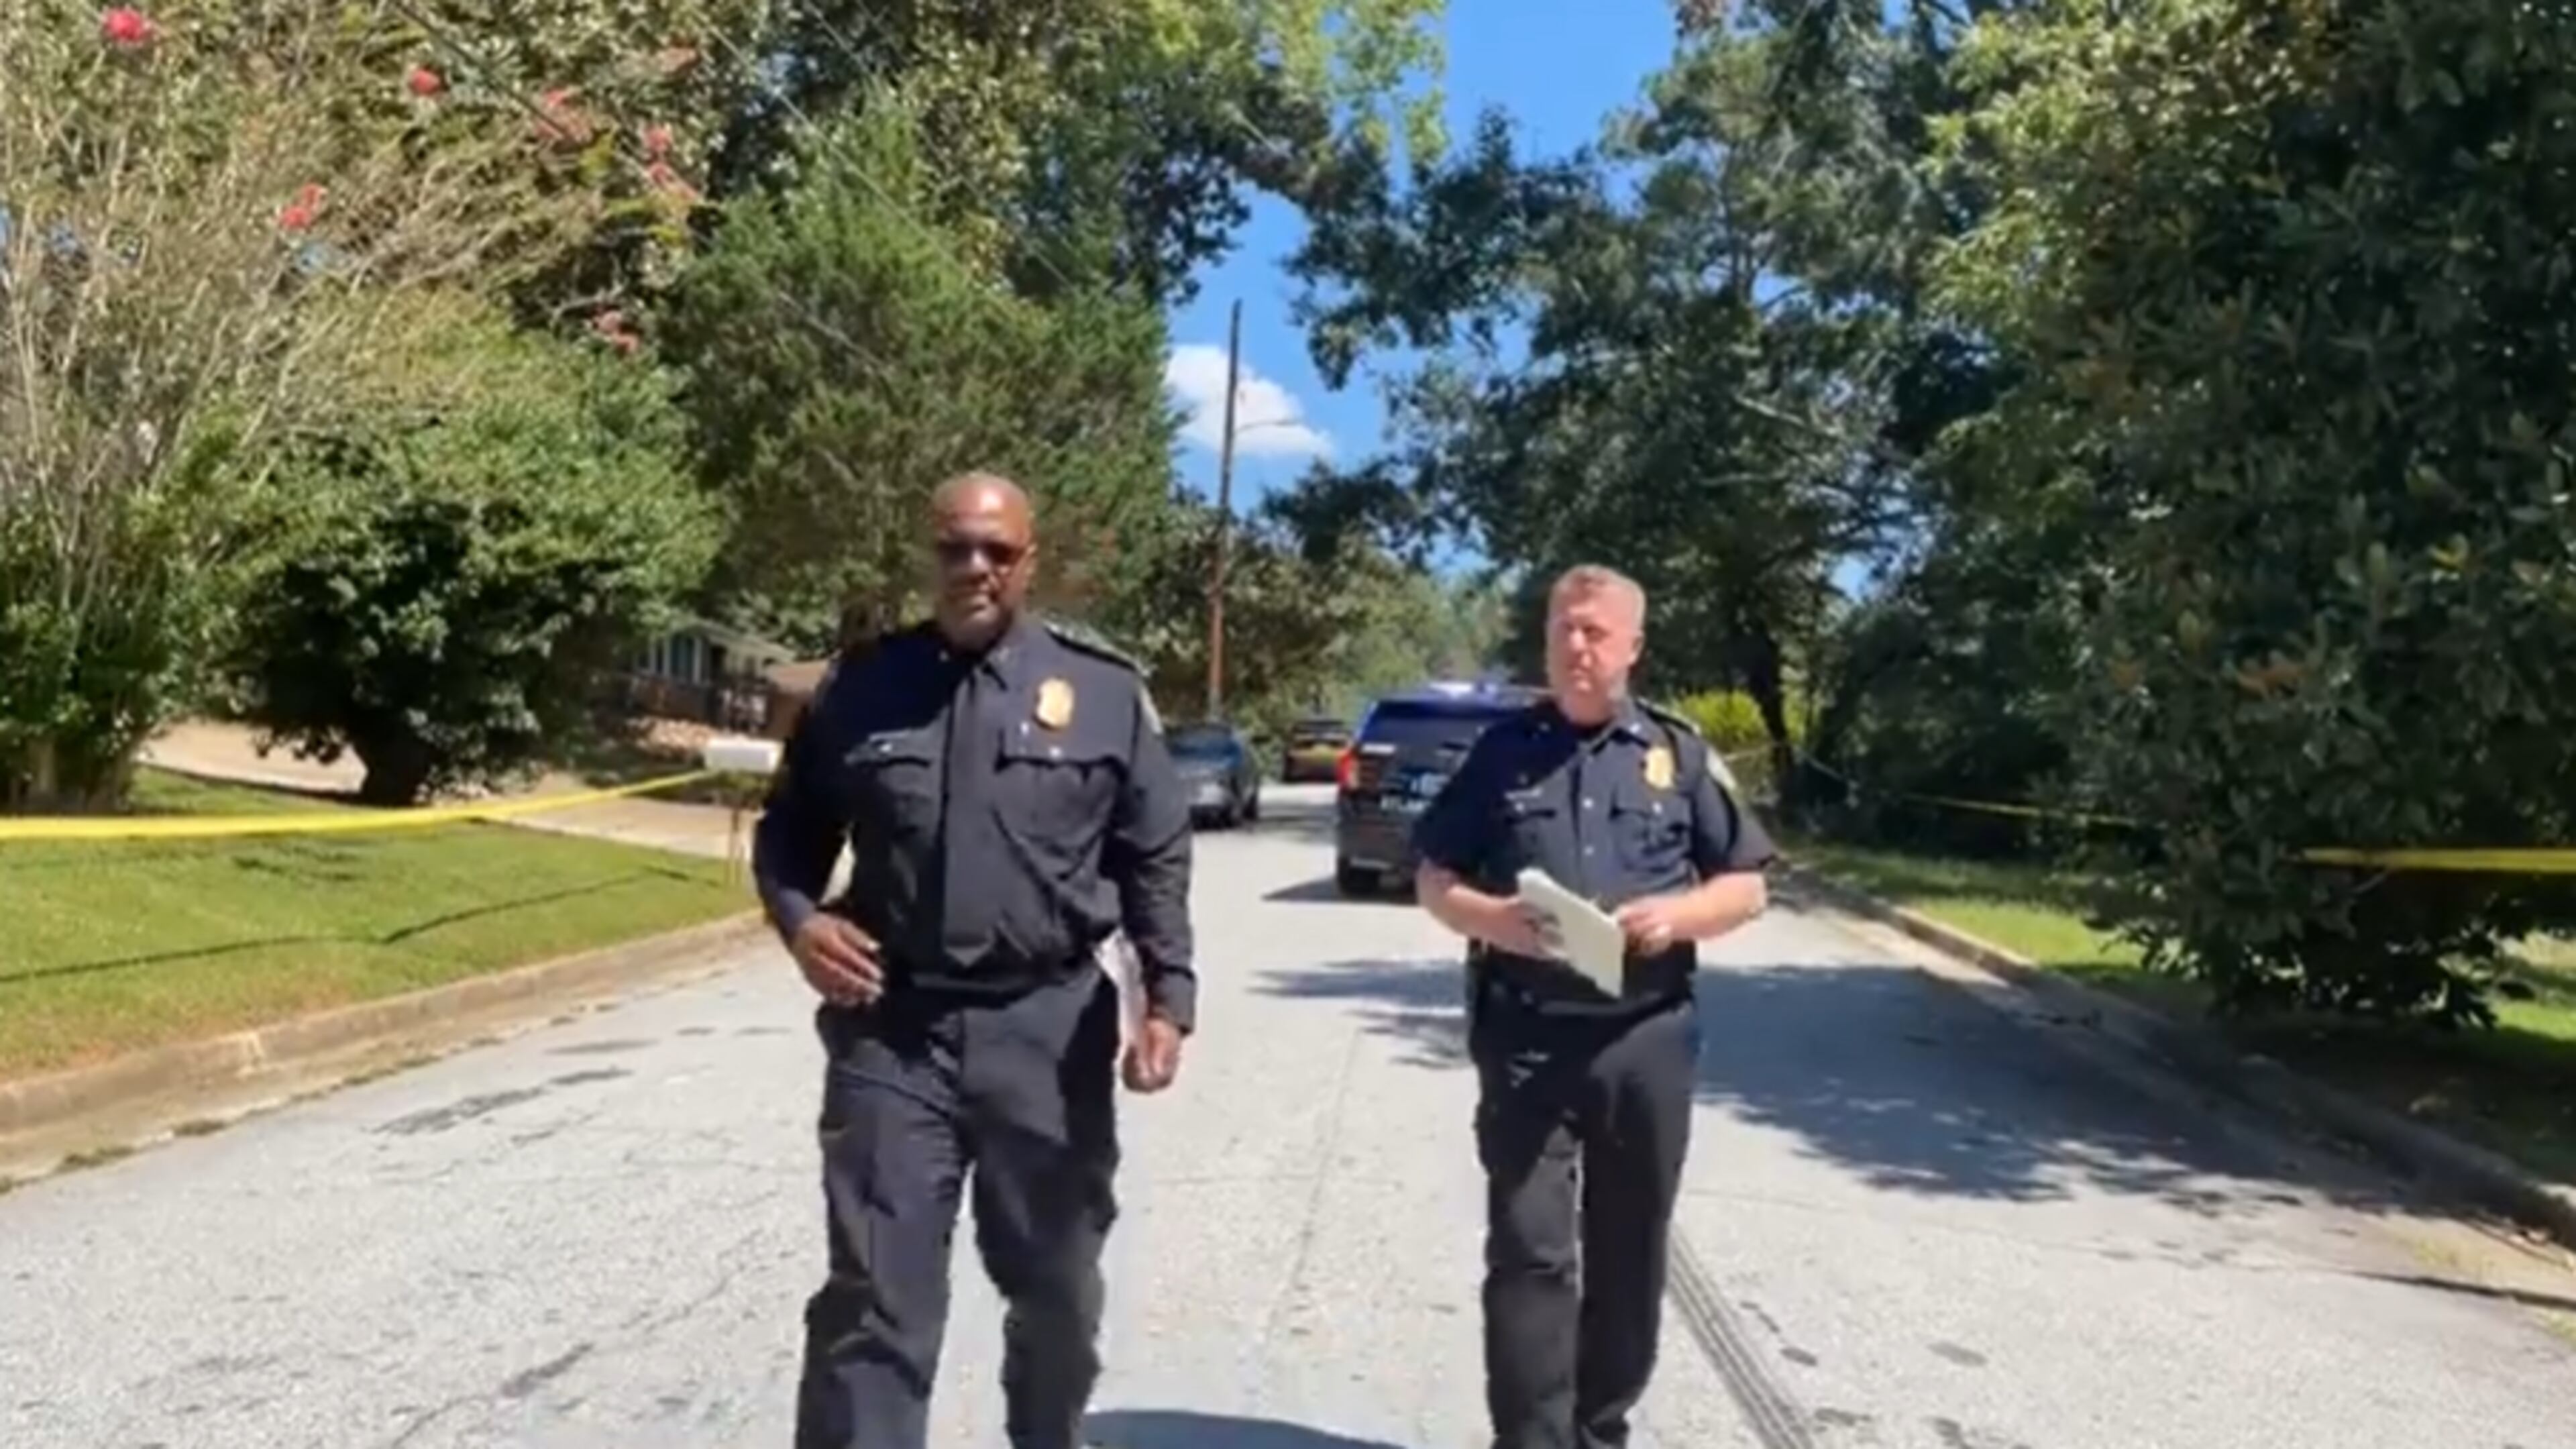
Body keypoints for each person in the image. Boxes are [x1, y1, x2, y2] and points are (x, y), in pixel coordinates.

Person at [751, 472, 1196, 1449]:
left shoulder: (1105, 694)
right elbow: (790, 833)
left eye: (997, 551)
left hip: (1048, 1036)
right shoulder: (863, 688)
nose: (975, 568)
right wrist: (798, 922)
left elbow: (1153, 855)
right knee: (876, 1302)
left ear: (1029, 561)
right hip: (892, 1032)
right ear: (932, 555)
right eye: (955, 547)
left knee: (1057, 1296)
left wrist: (1168, 997)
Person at [1411, 564, 1774, 1449]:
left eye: (1596, 633)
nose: (1577, 647)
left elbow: (1747, 887)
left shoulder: (1679, 756)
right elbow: (1433, 877)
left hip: (1645, 1042)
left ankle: (1597, 1429)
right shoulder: (1502, 753)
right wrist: (1494, 920)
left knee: (1630, 1249)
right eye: (1564, 630)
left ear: (1633, 647)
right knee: (1531, 1256)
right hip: (1529, 1039)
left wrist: (1677, 915)